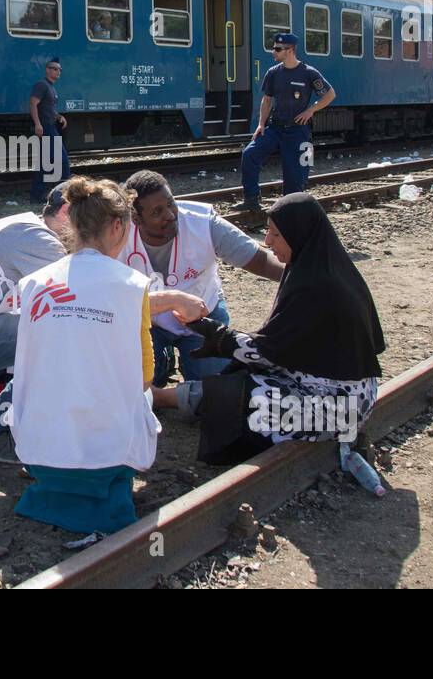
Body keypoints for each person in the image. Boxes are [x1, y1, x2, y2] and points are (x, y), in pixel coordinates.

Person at [0, 180, 205, 465]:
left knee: (36, 324)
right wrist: (175, 299)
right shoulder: (41, 242)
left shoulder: (21, 225)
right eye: (78, 219)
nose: (80, 231)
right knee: (53, 333)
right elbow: (97, 301)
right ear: (64, 212)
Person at [152, 193, 384, 466]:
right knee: (241, 373)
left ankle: (161, 399)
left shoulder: (314, 287)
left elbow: (267, 352)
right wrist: (223, 339)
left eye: (276, 234)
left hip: (338, 410)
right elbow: (282, 346)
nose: (267, 241)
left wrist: (212, 332)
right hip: (341, 390)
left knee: (237, 397)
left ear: (298, 235)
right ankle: (169, 398)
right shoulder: (327, 270)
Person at [9, 177, 159, 535]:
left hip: (38, 449)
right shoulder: (131, 285)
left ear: (73, 224)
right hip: (106, 458)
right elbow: (144, 376)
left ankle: (50, 492)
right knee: (145, 392)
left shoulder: (34, 282)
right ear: (118, 226)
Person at [121, 170, 284, 386]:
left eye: (171, 203)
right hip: (148, 322)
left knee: (211, 386)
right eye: (157, 212)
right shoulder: (119, 233)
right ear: (135, 218)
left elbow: (261, 261)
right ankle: (163, 358)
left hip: (202, 316)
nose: (170, 215)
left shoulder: (204, 223)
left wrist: (306, 279)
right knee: (139, 381)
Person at [235, 33, 336, 211]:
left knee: (295, 177)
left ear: (290, 51)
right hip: (275, 128)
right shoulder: (273, 73)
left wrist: (311, 110)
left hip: (298, 131)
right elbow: (266, 100)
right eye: (274, 48)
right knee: (249, 154)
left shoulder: (308, 73)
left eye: (277, 49)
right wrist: (261, 124)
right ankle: (251, 199)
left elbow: (330, 94)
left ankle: (289, 211)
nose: (273, 52)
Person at [29, 58, 70, 204]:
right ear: (47, 70)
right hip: (46, 127)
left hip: (51, 125)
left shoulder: (51, 87)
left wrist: (59, 116)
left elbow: (48, 108)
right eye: (54, 69)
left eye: (59, 69)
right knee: (63, 160)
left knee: (44, 162)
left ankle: (36, 194)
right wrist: (38, 124)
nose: (58, 71)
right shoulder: (42, 85)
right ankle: (67, 194)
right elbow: (33, 104)